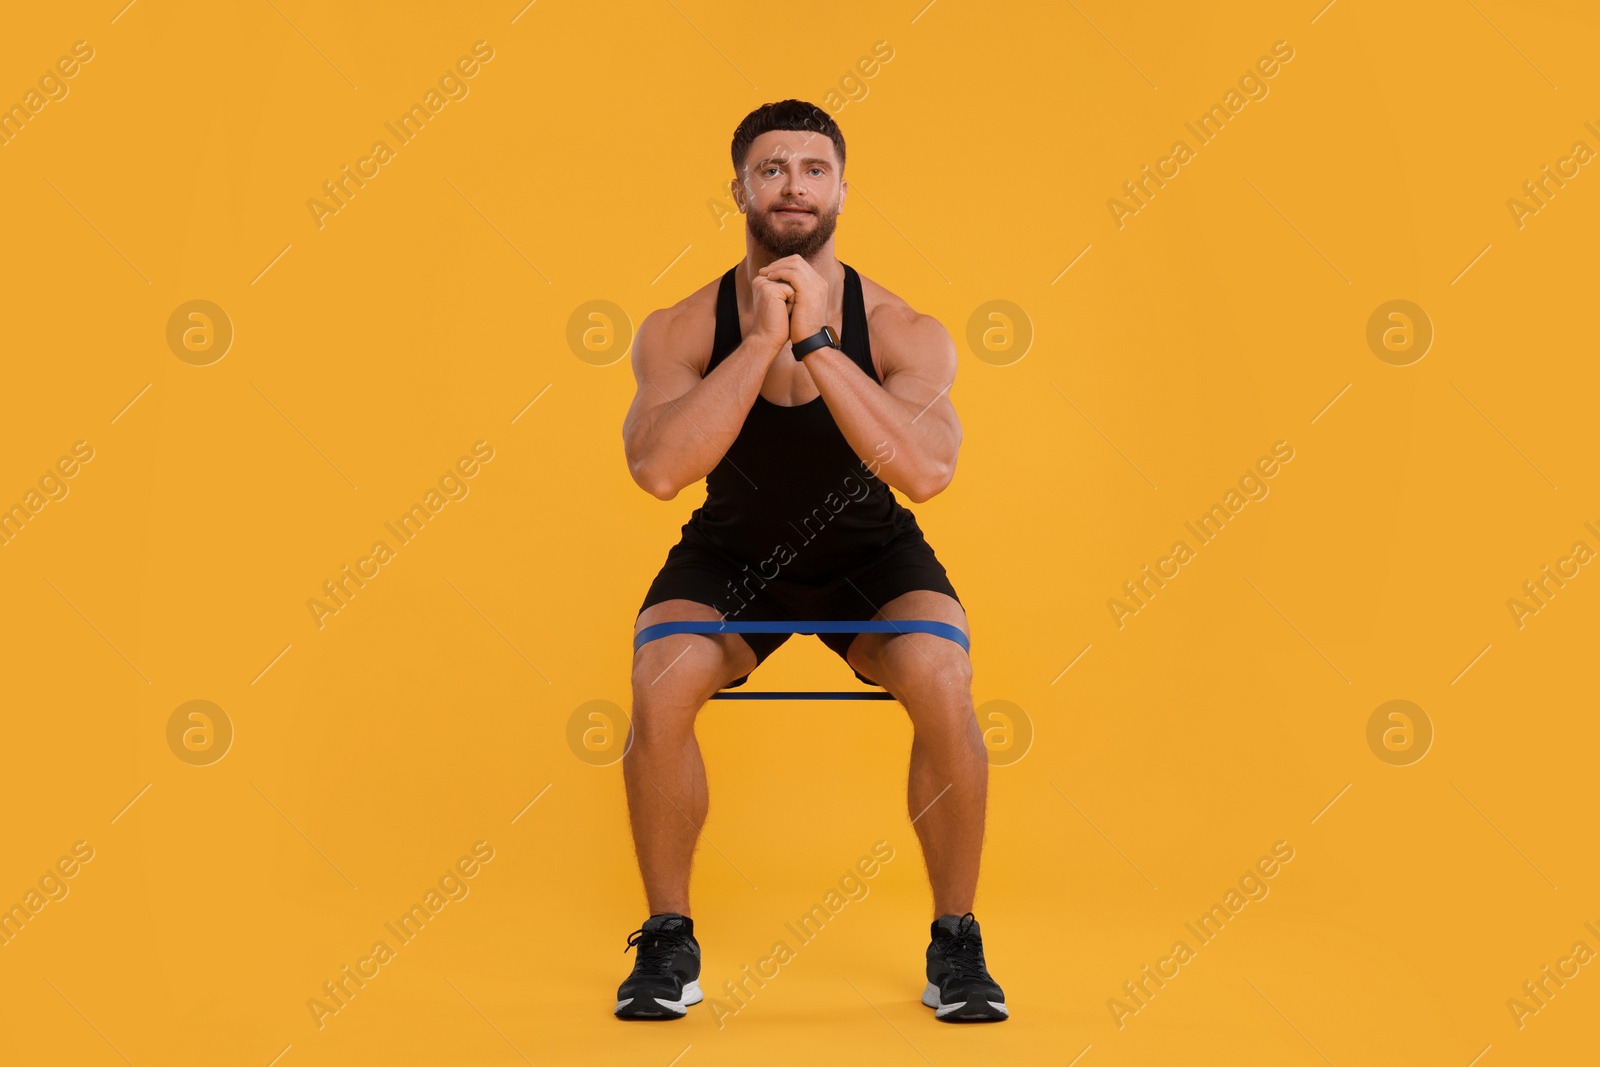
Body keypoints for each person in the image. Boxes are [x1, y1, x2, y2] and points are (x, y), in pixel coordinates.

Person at [614, 100, 1006, 1024]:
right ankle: (668, 939)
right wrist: (758, 340)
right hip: (733, 553)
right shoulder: (680, 327)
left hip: (867, 557)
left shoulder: (907, 329)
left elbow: (928, 473)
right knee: (660, 675)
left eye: (814, 169)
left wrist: (818, 342)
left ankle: (957, 942)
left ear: (840, 189)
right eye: (773, 168)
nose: (794, 185)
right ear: (740, 187)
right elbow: (660, 471)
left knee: (943, 676)